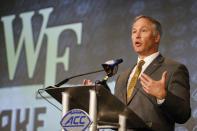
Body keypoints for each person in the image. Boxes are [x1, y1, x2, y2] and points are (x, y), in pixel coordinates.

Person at [114, 15, 191, 131]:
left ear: (156, 38)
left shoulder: (174, 69)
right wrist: (97, 97)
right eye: (134, 31)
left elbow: (184, 114)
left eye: (143, 30)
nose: (137, 35)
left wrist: (163, 96)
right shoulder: (122, 77)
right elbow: (116, 116)